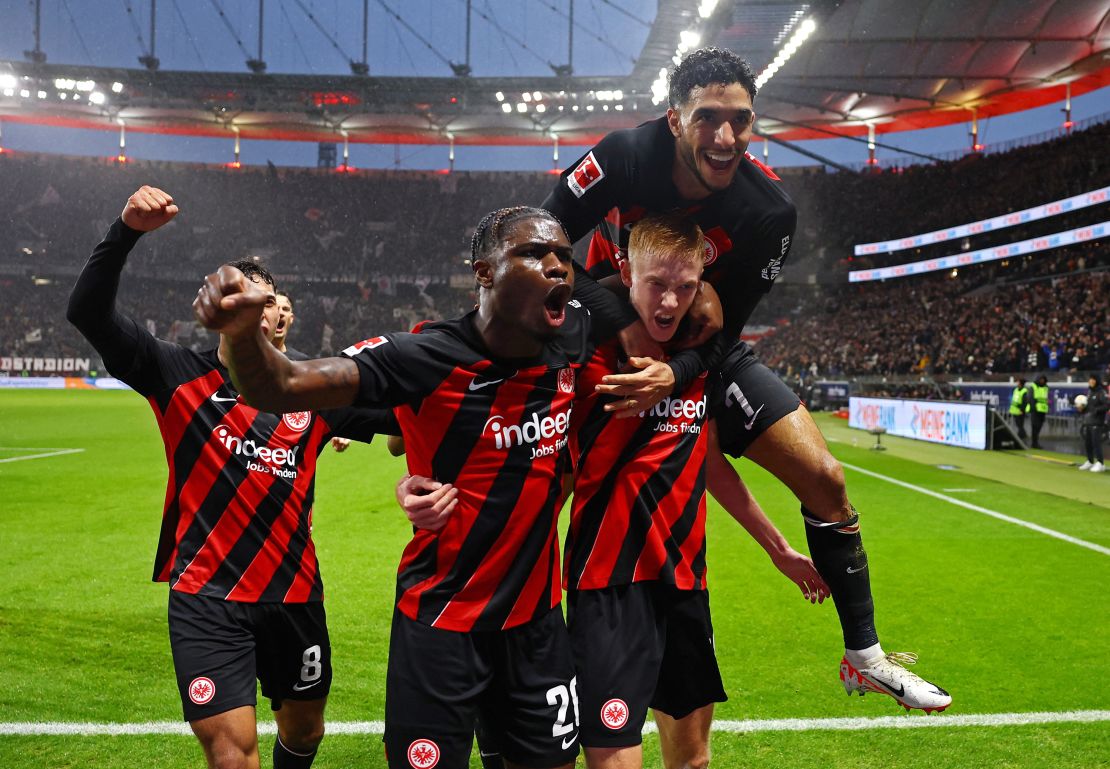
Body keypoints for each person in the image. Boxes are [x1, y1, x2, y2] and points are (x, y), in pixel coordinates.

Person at [542, 47, 950, 712]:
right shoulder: (621, 156)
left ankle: (865, 656)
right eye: (707, 118)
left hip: (696, 348)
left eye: (741, 120)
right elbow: (547, 244)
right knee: (545, 482)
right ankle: (508, 632)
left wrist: (672, 371)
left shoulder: (769, 213)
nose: (725, 137)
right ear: (674, 119)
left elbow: (722, 333)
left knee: (828, 481)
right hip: (606, 329)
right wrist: (624, 327)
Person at [399, 213, 827, 769]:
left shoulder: (698, 357)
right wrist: (419, 482)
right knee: (611, 758)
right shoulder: (586, 356)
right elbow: (509, 431)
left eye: (684, 287)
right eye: (656, 284)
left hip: (684, 579)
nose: (670, 302)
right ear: (626, 273)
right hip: (607, 582)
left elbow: (710, 462)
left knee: (693, 758)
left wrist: (779, 549)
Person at [193, 206, 605, 769]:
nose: (559, 267)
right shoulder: (425, 357)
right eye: (535, 254)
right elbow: (283, 384)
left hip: (536, 626)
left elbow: (672, 302)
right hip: (440, 624)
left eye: (565, 256)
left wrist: (674, 372)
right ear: (483, 273)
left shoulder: (577, 332)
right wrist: (241, 334)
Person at [66, 186, 392, 769]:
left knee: (306, 731)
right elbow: (87, 313)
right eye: (252, 299)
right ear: (220, 305)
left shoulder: (313, 392)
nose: (269, 311)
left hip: (294, 592)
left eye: (272, 302)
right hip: (207, 596)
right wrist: (125, 231)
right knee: (231, 753)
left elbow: (414, 414)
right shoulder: (173, 373)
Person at [1077, 374, 1108, 472]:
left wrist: (1096, 410)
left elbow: (1106, 405)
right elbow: (1088, 407)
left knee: (1096, 443)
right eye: (1090, 379)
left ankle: (1100, 463)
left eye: (1093, 379)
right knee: (1088, 443)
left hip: (1097, 422)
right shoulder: (1090, 392)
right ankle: (1090, 461)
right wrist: (1081, 409)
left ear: (1096, 381)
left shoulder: (1101, 392)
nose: (1091, 381)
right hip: (1088, 421)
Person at [1009, 377, 1031, 442]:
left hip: (1020, 410)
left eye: (1018, 382)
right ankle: (1022, 436)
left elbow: (1024, 402)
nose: (1017, 383)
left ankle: (1021, 437)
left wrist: (1022, 410)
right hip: (1015, 410)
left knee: (1020, 425)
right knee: (1018, 424)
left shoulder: (1024, 391)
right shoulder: (1016, 390)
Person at [1030, 375, 1050, 449]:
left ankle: (1035, 442)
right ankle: (1034, 443)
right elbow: (1031, 398)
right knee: (1035, 426)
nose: (1042, 381)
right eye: (1041, 379)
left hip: (1043, 410)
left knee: (1039, 427)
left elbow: (1046, 398)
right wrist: (1033, 407)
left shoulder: (1046, 387)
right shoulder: (1034, 386)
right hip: (1035, 410)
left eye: (1043, 379)